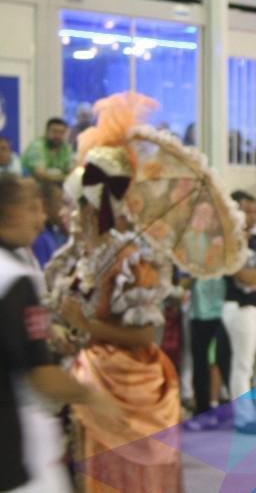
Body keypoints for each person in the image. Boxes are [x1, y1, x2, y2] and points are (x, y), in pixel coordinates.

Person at [46, 99, 181, 492]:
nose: (69, 213)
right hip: (85, 379)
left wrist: (86, 326)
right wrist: (66, 332)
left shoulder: (132, 259)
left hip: (124, 387)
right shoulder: (83, 255)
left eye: (76, 204)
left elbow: (145, 335)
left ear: (95, 204)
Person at [0, 174, 119, 492]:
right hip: (15, 442)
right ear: (10, 213)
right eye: (33, 208)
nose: (41, 219)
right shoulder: (15, 279)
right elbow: (41, 375)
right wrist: (94, 397)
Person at [222, 191, 256, 434]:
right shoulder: (229, 242)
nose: (253, 216)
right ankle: (243, 417)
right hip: (238, 306)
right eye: (247, 211)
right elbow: (240, 276)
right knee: (243, 364)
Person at [184, 277, 230, 432]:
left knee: (225, 364)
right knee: (200, 367)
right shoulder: (193, 263)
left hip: (222, 314)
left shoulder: (226, 262)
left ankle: (241, 412)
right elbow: (182, 284)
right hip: (199, 316)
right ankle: (203, 412)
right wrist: (193, 274)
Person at [21, 118, 73, 184]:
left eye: (62, 132)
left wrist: (69, 176)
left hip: (53, 185)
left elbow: (71, 171)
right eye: (54, 131)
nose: (58, 136)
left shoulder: (65, 148)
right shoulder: (37, 146)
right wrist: (65, 178)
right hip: (31, 185)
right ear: (46, 132)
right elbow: (41, 175)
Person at [31, 182, 68, 268]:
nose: (62, 208)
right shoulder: (39, 239)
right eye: (59, 201)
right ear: (45, 205)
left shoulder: (55, 231)